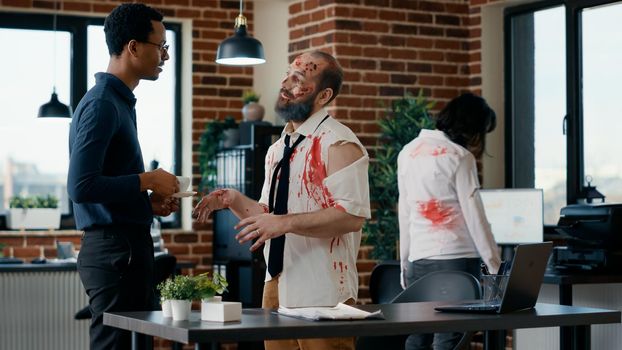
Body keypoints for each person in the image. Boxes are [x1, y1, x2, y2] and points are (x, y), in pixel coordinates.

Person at [193, 50, 370, 350]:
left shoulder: (339, 142)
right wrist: (233, 200)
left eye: (298, 79)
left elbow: (351, 217)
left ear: (324, 95)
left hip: (323, 294)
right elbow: (268, 216)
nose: (285, 83)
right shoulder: (277, 149)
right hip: (274, 286)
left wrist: (284, 223)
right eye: (287, 74)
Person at [67, 3, 180, 349]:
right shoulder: (103, 103)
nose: (165, 55)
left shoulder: (118, 102)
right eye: (160, 46)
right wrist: (147, 180)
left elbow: (106, 182)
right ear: (133, 47)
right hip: (115, 251)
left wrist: (146, 202)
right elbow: (81, 186)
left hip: (125, 248)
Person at [397, 92, 501, 350]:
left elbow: (405, 211)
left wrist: (404, 260)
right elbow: (476, 217)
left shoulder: (407, 152)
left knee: (416, 336)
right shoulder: (459, 157)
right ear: (470, 127)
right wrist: (495, 266)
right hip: (458, 260)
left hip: (418, 261)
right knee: (450, 339)